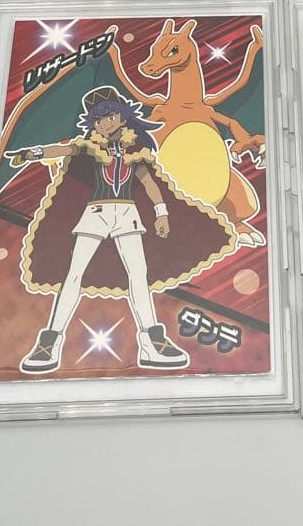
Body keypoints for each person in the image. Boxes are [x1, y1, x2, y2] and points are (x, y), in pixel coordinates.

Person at [13, 86, 188, 373]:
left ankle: (152, 341)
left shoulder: (134, 149)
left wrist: (161, 211)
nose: (105, 123)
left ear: (121, 116)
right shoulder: (90, 146)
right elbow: (64, 148)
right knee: (74, 275)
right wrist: (34, 153)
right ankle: (49, 344)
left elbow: (148, 182)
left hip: (127, 212)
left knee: (139, 275)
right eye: (98, 119)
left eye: (110, 116)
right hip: (97, 211)